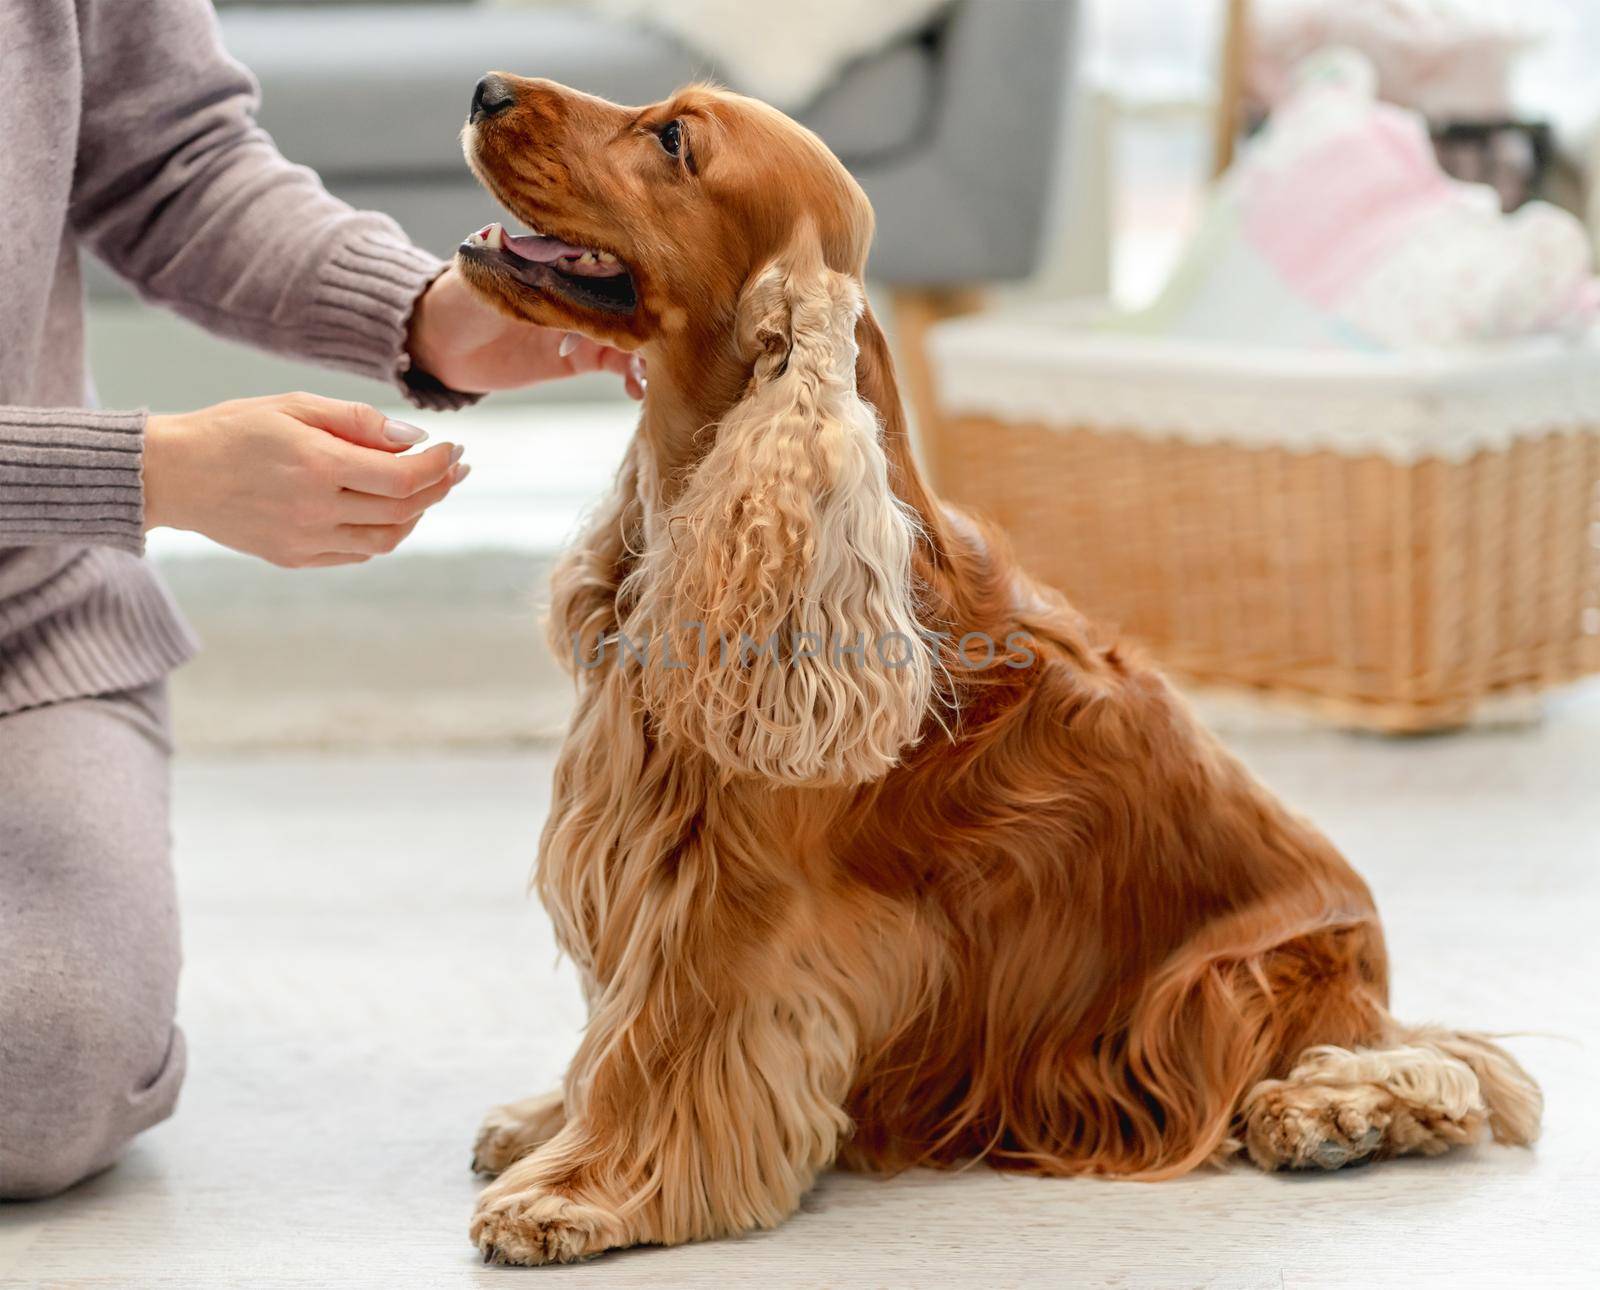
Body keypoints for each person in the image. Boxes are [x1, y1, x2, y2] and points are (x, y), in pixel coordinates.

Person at [0, 0, 640, 1198]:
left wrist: (426, 315)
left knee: (35, 1070)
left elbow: (169, 159)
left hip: (23, 632)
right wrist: (150, 473)